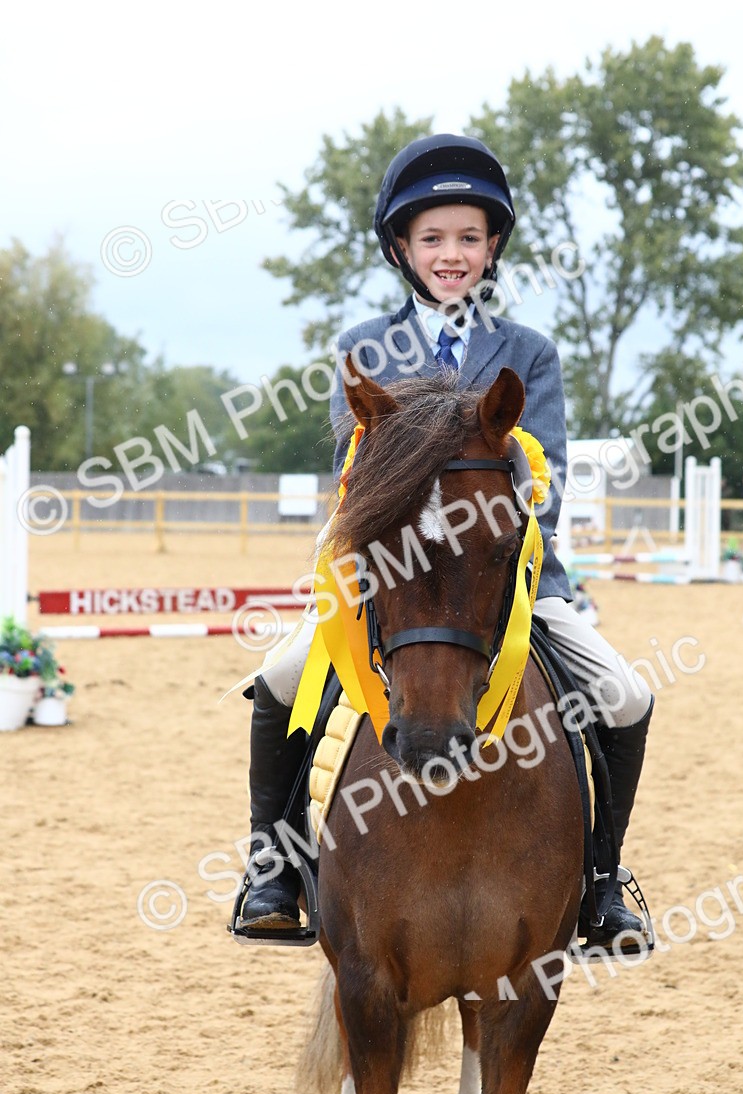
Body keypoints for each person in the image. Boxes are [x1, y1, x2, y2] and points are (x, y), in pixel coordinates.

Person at [237, 134, 654, 946]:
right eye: (432, 238)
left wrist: (490, 535)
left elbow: (547, 477)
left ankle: (603, 881)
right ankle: (272, 868)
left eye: (468, 237)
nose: (451, 254)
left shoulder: (529, 352)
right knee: (282, 676)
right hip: (390, 576)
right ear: (402, 247)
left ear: (492, 246)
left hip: (506, 573)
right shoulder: (365, 345)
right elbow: (355, 469)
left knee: (625, 694)